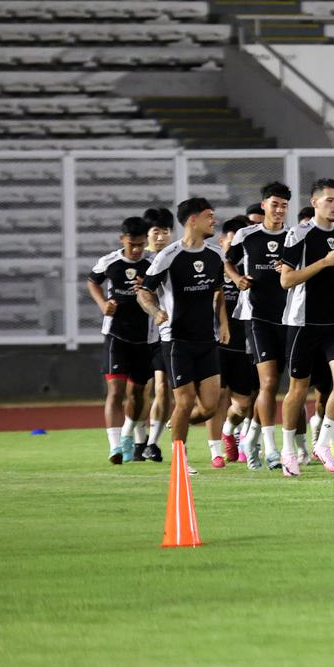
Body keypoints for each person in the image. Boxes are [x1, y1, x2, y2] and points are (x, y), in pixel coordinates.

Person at [136, 198, 229, 475]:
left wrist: (223, 324)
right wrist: (155, 311)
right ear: (192, 220)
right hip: (177, 340)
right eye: (209, 216)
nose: (214, 220)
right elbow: (144, 291)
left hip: (206, 340)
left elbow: (219, 293)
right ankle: (180, 458)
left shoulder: (215, 256)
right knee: (185, 401)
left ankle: (176, 424)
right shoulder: (169, 255)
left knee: (210, 408)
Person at [278, 178, 334, 477]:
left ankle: (323, 442)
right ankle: (287, 450)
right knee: (297, 389)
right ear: (315, 203)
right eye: (330, 200)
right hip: (303, 323)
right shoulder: (299, 234)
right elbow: (286, 280)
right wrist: (323, 262)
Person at [225, 181, 292, 471]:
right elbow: (226, 263)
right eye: (274, 204)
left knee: (278, 384)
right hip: (257, 317)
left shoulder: (294, 237)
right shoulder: (247, 235)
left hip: (289, 317)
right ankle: (271, 448)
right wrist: (237, 278)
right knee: (266, 382)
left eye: (284, 205)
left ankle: (251, 436)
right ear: (264, 205)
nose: (279, 210)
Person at [87, 216, 153, 464]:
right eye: (132, 244)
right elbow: (92, 282)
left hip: (145, 337)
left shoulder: (153, 263)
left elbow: (165, 288)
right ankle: (115, 447)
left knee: (137, 394)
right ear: (122, 240)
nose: (136, 250)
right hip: (116, 335)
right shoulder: (110, 262)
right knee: (115, 391)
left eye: (141, 244)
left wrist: (150, 289)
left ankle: (129, 435)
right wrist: (103, 304)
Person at [208, 215, 256, 468]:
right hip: (215, 342)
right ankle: (216, 450)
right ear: (223, 240)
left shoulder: (249, 273)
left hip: (243, 343)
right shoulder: (210, 267)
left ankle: (229, 430)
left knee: (243, 404)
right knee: (217, 397)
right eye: (232, 240)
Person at [141, 206, 175, 461]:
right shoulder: (139, 262)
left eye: (166, 231)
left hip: (165, 334)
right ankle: (134, 438)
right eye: (156, 232)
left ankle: (152, 443)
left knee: (163, 388)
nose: (161, 237)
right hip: (139, 335)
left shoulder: (176, 257)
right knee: (138, 392)